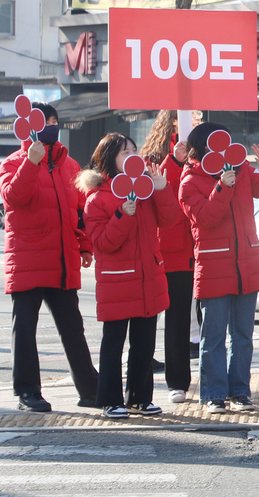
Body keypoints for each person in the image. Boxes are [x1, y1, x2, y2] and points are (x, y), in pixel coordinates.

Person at [178, 122, 259, 414]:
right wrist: (221, 187)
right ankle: (213, 394)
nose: (225, 149)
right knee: (212, 337)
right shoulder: (189, 180)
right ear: (203, 148)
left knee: (243, 336)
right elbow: (204, 218)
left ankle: (240, 391)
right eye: (217, 143)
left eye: (227, 142)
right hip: (214, 264)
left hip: (247, 264)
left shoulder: (242, 171)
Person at [1, 101, 100, 412]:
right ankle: (28, 392)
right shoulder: (13, 163)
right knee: (25, 330)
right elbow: (14, 199)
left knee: (73, 329)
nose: (51, 127)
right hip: (28, 260)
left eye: (55, 121)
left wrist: (85, 246)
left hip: (62, 261)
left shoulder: (70, 166)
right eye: (45, 122)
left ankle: (90, 389)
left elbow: (80, 211)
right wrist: (31, 163)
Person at [79, 133, 184, 419]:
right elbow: (102, 243)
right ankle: (110, 399)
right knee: (113, 343)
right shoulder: (98, 199)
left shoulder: (148, 191)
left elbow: (171, 220)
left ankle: (140, 398)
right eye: (125, 152)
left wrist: (162, 189)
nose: (132, 155)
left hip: (148, 277)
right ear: (109, 159)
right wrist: (122, 215)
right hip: (117, 281)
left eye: (134, 150)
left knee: (144, 343)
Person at [140, 110, 200, 404]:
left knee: (187, 320)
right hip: (169, 251)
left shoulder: (203, 149)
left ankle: (188, 378)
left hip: (198, 249)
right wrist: (175, 161)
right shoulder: (155, 157)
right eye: (191, 116)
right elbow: (166, 201)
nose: (196, 119)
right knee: (167, 318)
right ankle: (173, 380)